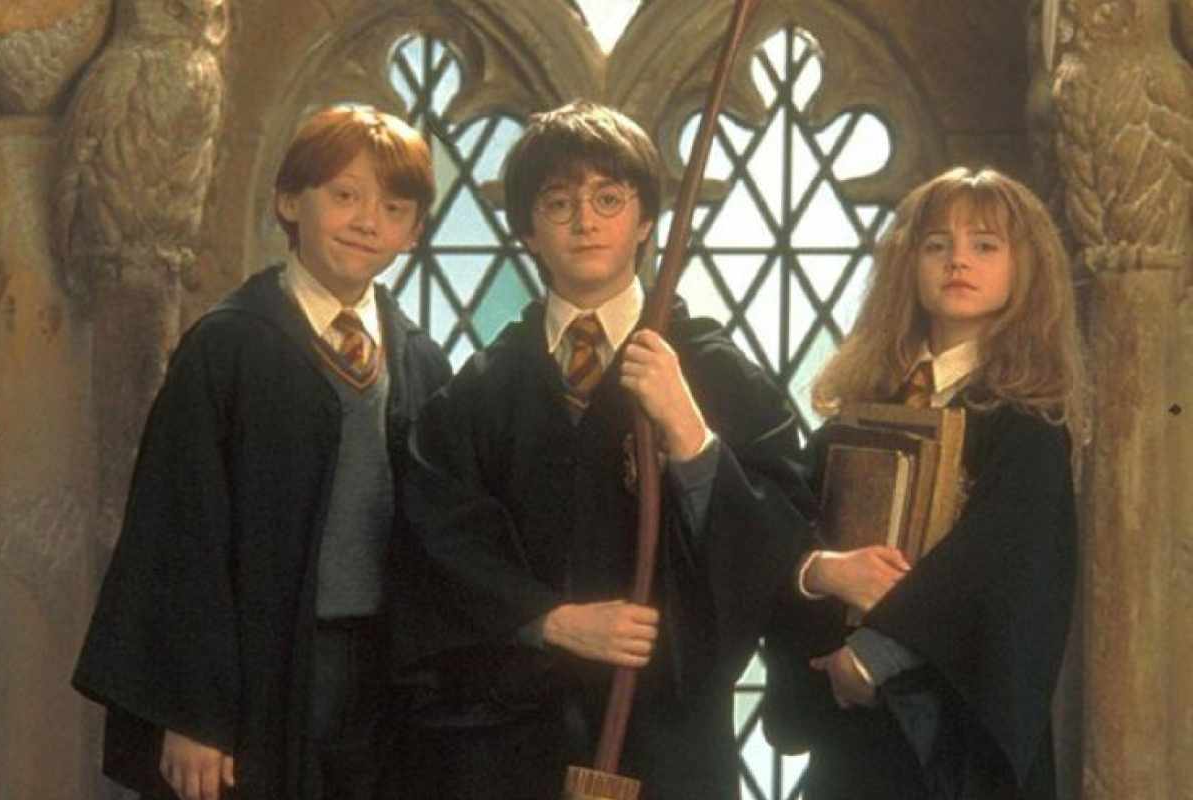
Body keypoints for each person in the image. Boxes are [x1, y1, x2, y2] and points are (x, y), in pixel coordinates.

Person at [390, 99, 816, 799]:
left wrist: (690, 436)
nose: (584, 220)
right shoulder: (480, 391)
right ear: (528, 231)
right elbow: (438, 539)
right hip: (513, 744)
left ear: (646, 221)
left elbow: (783, 541)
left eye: (608, 199)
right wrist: (548, 620)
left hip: (669, 732)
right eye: (558, 203)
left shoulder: (710, 369)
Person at [72, 105, 451, 800]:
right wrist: (191, 713)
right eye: (344, 195)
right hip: (256, 672)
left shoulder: (420, 361)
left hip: (382, 677)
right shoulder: (227, 348)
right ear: (289, 201)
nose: (368, 221)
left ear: (414, 232)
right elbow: (179, 538)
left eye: (394, 208)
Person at [763, 166, 1087, 799]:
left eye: (985, 245)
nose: (957, 260)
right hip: (846, 731)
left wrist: (874, 656)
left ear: (1025, 270)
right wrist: (821, 573)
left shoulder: (1026, 428)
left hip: (949, 745)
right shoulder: (857, 414)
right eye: (937, 244)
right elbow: (788, 525)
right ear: (907, 265)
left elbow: (999, 568)